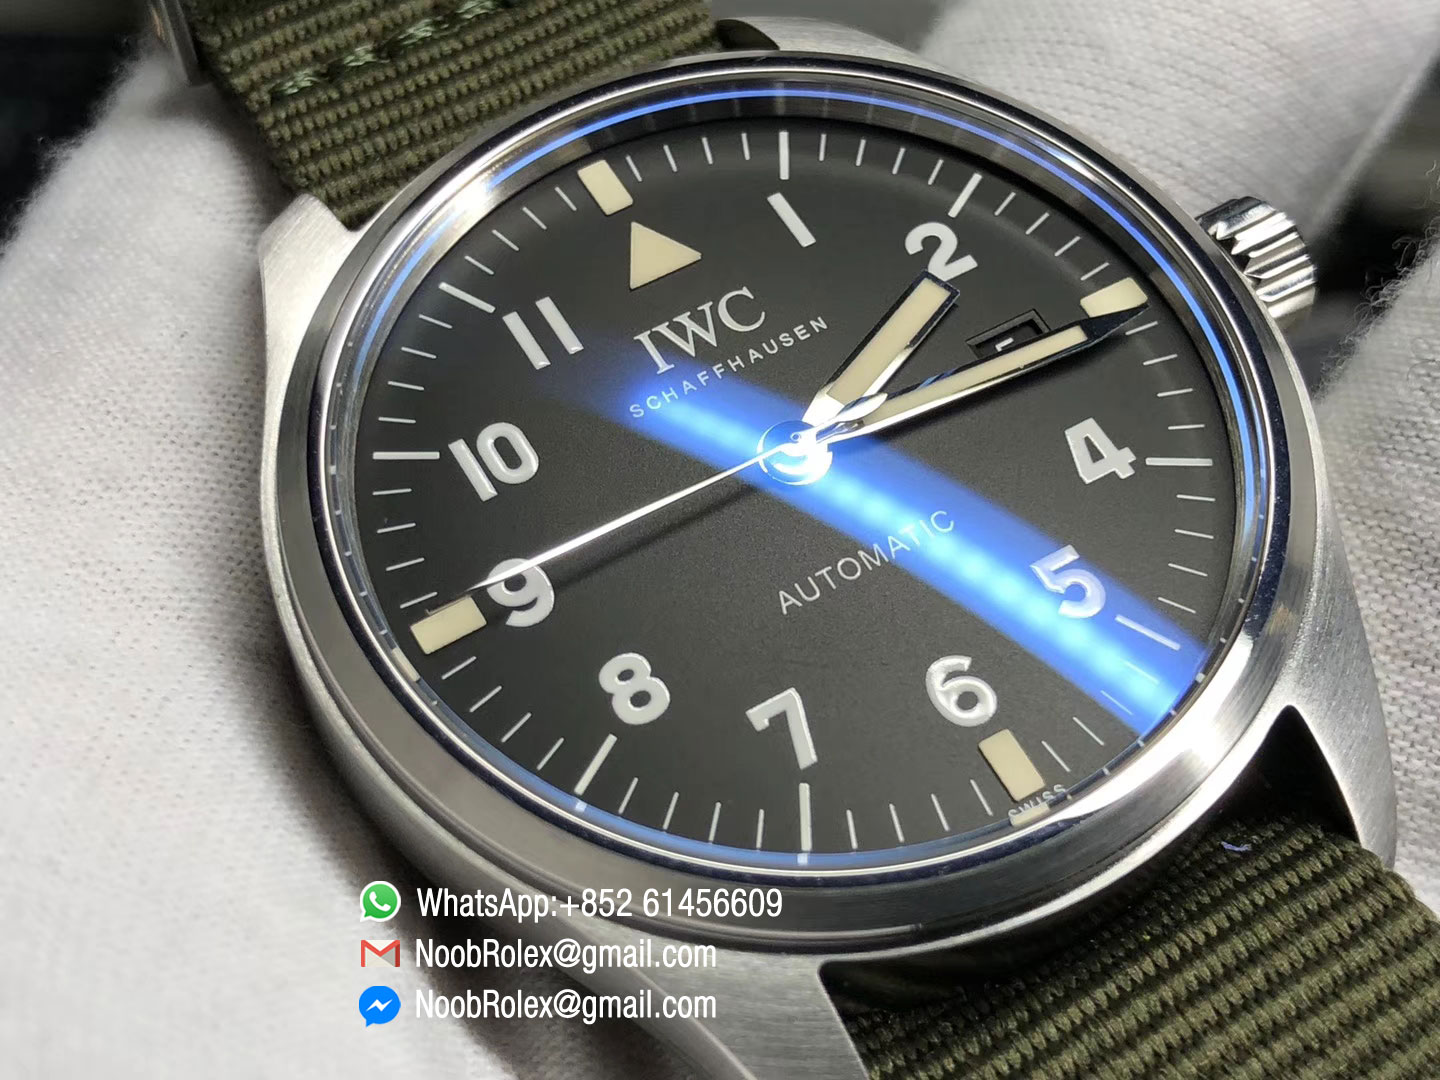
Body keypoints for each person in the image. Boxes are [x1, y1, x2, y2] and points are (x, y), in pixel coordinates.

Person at [3, 1, 1438, 1075]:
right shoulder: (344, 321)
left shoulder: (794, 85)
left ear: (1232, 275)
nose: (801, 458)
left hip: (1258, 800)